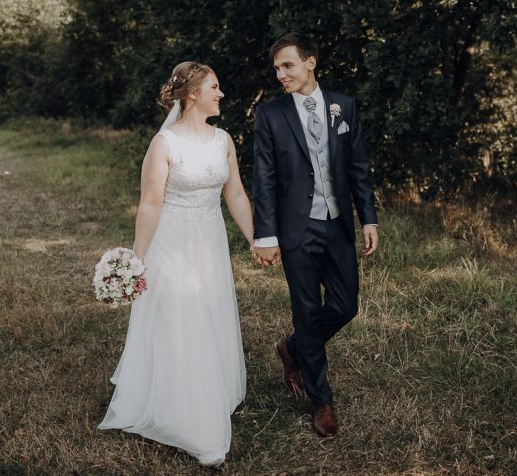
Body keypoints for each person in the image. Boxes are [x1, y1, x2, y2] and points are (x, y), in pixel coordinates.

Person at [99, 61, 253, 467]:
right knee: (184, 322)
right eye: (214, 87)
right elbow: (150, 203)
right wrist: (137, 258)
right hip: (172, 243)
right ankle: (197, 425)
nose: (221, 94)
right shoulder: (164, 143)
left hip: (210, 242)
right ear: (192, 94)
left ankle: (212, 391)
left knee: (211, 312)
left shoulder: (223, 139)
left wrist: (256, 238)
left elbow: (235, 193)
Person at [251, 32, 379, 439]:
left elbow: (358, 166)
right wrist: (266, 234)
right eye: (276, 69)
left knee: (345, 306)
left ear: (310, 62)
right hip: (295, 229)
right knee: (307, 311)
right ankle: (321, 401)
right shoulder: (270, 115)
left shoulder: (345, 106)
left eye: (287, 65)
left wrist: (369, 219)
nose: (280, 74)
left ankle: (293, 348)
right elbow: (265, 179)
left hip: (337, 224)